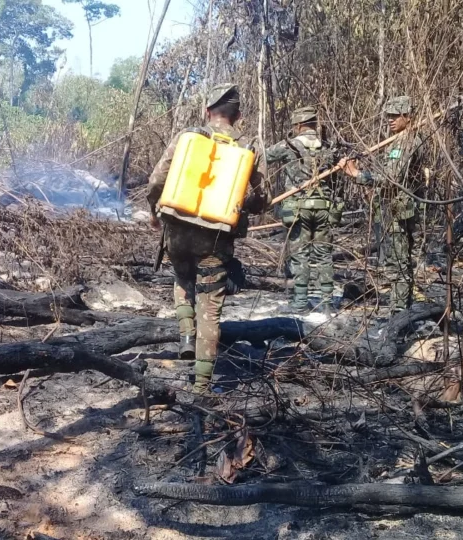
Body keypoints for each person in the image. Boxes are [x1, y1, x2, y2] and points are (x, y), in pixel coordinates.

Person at [146, 83, 270, 396]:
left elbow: (157, 180)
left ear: (207, 111)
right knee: (211, 309)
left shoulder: (190, 137)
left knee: (181, 279)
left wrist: (153, 210)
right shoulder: (249, 145)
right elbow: (260, 199)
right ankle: (202, 385)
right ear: (238, 116)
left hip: (177, 231)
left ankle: (187, 336)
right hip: (216, 239)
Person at [339, 96, 424, 313]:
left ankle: (399, 313)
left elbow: (391, 178)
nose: (391, 120)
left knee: (398, 265)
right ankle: (401, 310)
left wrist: (357, 174)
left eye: (396, 116)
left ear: (407, 116)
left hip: (399, 211)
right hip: (390, 209)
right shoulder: (397, 140)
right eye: (389, 116)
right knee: (394, 263)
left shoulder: (407, 141)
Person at [266, 106, 343, 314]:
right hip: (324, 208)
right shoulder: (328, 147)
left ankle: (301, 302)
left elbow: (263, 158)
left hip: (298, 209)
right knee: (323, 254)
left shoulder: (288, 146)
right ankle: (327, 302)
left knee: (300, 254)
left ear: (298, 125)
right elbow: (338, 179)